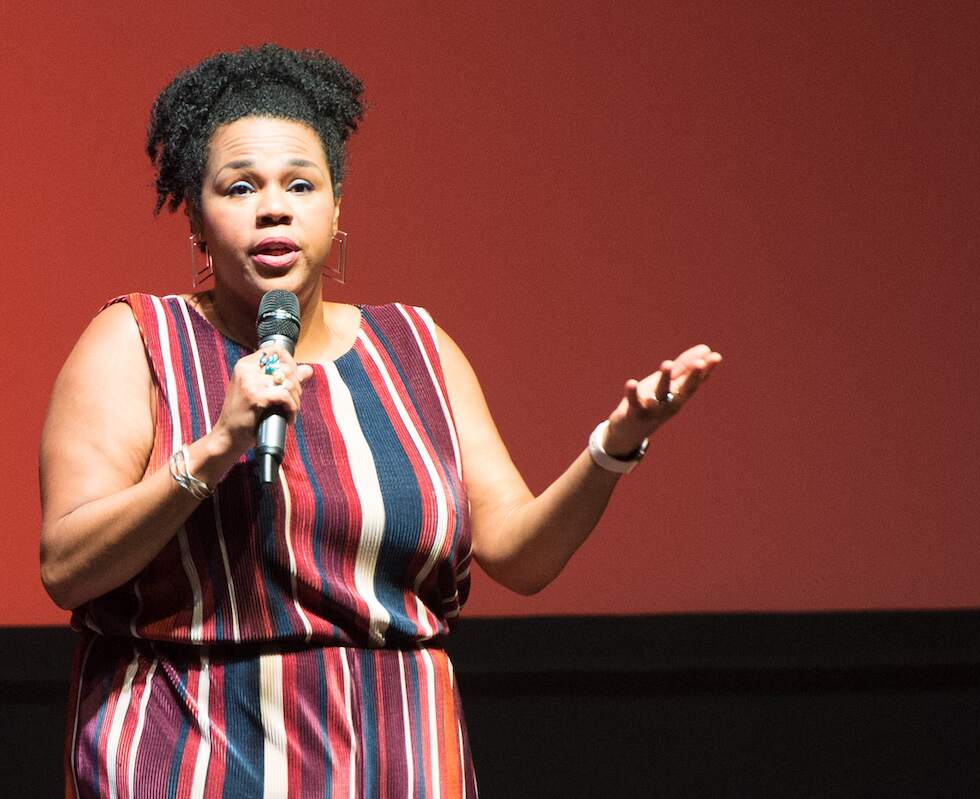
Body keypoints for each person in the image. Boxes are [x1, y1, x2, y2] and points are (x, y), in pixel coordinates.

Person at [39, 44, 721, 798]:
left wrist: (614, 445)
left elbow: (521, 556)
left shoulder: (417, 348)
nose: (274, 206)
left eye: (301, 183)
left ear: (337, 209)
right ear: (197, 221)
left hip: (397, 758)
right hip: (193, 755)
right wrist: (213, 449)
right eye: (239, 187)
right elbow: (69, 567)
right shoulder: (139, 341)